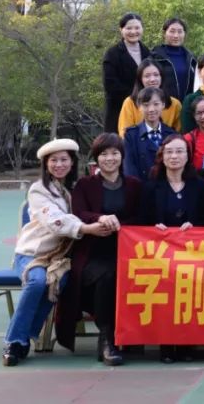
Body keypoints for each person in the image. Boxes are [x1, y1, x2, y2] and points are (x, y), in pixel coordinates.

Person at [1, 139, 113, 367]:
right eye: (53, 160)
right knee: (37, 281)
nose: (59, 164)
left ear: (72, 162)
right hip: (33, 254)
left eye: (64, 159)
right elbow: (54, 220)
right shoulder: (38, 190)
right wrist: (86, 228)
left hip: (60, 258)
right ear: (46, 164)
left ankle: (25, 337)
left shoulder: (76, 189)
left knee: (58, 282)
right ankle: (14, 341)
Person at [57, 133, 142, 366]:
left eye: (114, 153)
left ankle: (132, 336)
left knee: (127, 275)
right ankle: (107, 340)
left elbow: (142, 217)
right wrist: (100, 219)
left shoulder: (134, 185)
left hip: (127, 253)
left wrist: (119, 225)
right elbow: (79, 213)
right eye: (103, 154)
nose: (109, 158)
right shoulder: (84, 185)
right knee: (107, 276)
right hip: (91, 254)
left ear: (122, 156)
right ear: (96, 158)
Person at [138, 133, 204, 363]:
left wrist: (195, 227)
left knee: (190, 293)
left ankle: (187, 343)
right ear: (162, 156)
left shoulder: (199, 186)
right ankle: (166, 343)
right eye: (169, 152)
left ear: (188, 156)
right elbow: (141, 223)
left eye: (179, 151)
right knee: (165, 294)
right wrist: (153, 228)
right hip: (161, 257)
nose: (174, 156)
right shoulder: (150, 187)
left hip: (192, 255)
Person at [102, 12, 148, 133]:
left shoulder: (148, 52)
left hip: (145, 110)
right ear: (121, 30)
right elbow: (110, 85)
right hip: (119, 110)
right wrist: (135, 96)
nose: (133, 32)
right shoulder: (112, 54)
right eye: (129, 28)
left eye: (137, 28)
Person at [122, 87, 178, 181]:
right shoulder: (131, 136)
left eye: (156, 104)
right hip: (140, 186)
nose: (151, 109)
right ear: (139, 107)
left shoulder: (172, 134)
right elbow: (129, 168)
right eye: (146, 105)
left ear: (163, 105)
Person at [117, 58, 182, 136]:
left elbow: (179, 133)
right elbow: (124, 133)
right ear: (140, 79)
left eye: (156, 75)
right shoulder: (130, 102)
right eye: (147, 76)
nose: (152, 79)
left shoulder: (174, 104)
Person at [150, 17, 197, 105]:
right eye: (172, 31)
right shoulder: (154, 57)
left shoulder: (192, 58)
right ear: (164, 33)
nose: (176, 35)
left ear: (184, 34)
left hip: (187, 108)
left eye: (180, 32)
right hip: (163, 107)